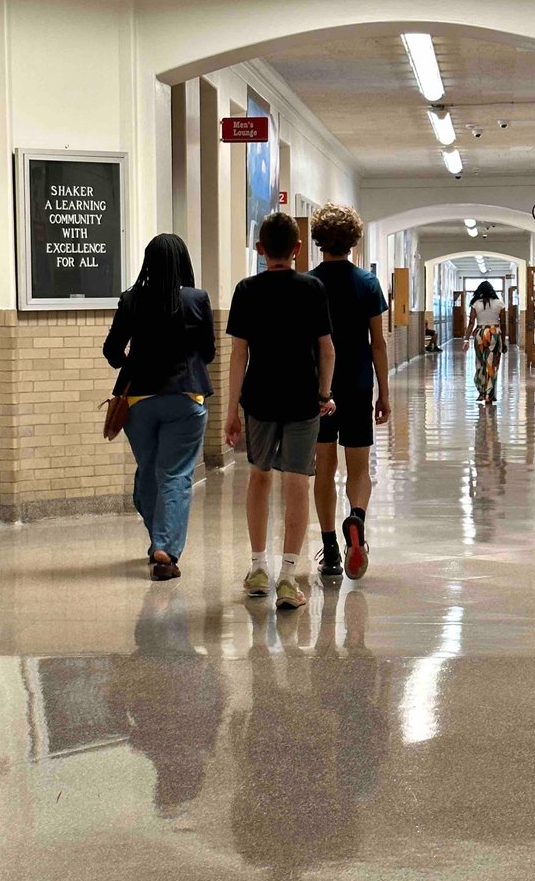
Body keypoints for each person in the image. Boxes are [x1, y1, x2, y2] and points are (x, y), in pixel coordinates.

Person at [225, 212, 336, 611]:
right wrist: (324, 393)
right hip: (302, 399)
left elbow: (239, 354)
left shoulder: (246, 290)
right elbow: (327, 349)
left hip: (259, 400)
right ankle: (288, 578)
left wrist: (231, 410)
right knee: (297, 484)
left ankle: (258, 569)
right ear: (297, 249)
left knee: (259, 477)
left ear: (259, 249)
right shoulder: (312, 289)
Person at [103, 233, 214, 581]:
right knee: (175, 475)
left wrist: (134, 363)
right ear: (183, 262)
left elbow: (112, 352)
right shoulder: (197, 299)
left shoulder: (131, 299)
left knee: (150, 470)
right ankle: (164, 548)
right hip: (186, 397)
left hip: (140, 402)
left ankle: (158, 541)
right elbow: (209, 352)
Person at [309, 203, 390, 581]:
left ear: (318, 240)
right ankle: (356, 519)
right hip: (358, 385)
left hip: (319, 389)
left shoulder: (309, 284)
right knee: (358, 468)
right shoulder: (367, 284)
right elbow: (378, 344)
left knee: (324, 469)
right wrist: (384, 393)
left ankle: (330, 551)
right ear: (353, 240)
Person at [463, 280, 506, 405]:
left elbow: (471, 323)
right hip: (494, 333)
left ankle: (481, 391)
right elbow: (503, 324)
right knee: (492, 365)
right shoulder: (499, 303)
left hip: (480, 333)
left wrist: (466, 339)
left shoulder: (476, 304)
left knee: (480, 363)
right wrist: (503, 342)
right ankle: (489, 395)